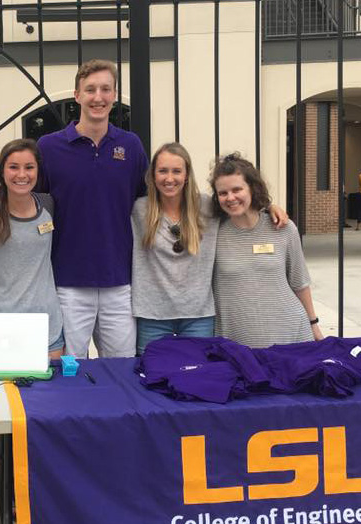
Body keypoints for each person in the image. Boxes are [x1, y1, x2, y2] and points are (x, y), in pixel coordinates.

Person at [131, 143, 289, 354]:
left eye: (177, 171)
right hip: (152, 316)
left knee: (199, 376)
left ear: (187, 175)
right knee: (151, 376)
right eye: (163, 171)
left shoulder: (207, 207)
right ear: (153, 175)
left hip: (198, 316)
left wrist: (269, 206)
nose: (170, 178)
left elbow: (237, 203)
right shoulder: (139, 209)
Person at [37, 59, 148, 359]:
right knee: (71, 372)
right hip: (68, 282)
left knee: (122, 370)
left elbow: (152, 202)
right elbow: (31, 204)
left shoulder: (132, 146)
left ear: (114, 95)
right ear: (77, 95)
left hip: (119, 281)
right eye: (90, 90)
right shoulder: (48, 148)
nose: (98, 97)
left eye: (105, 89)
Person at [211, 153, 323, 349]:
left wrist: (313, 324)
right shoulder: (213, 232)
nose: (230, 198)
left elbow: (300, 282)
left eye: (237, 189)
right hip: (238, 340)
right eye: (223, 193)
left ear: (252, 188)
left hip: (290, 333)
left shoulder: (283, 228)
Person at [0, 138, 64, 359]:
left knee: (49, 393)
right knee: (3, 394)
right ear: (1, 172)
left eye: (29, 167)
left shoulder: (49, 205)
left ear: (38, 171)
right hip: (0, 327)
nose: (22, 175)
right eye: (14, 167)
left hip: (47, 327)